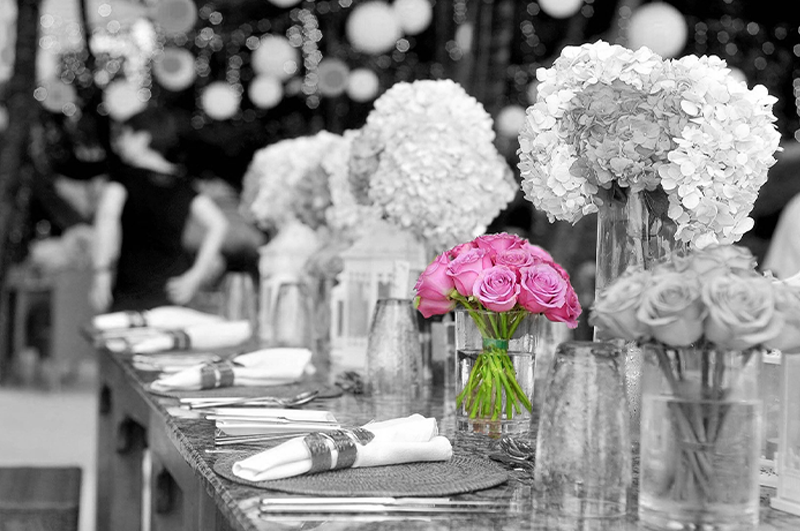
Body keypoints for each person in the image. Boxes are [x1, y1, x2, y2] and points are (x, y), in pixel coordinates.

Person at [90, 106, 229, 312]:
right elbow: (219, 224)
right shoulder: (182, 183)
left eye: (126, 135)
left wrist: (101, 272)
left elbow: (107, 218)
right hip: (175, 293)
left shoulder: (124, 179)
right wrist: (195, 276)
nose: (120, 144)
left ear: (143, 138)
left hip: (132, 292)